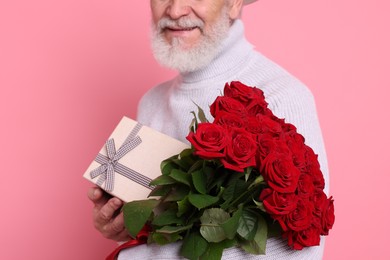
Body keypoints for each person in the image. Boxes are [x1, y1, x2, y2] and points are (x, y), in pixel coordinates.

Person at [88, 0, 330, 259]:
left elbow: (300, 252)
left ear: (235, 3)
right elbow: (158, 225)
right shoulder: (151, 102)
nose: (175, 10)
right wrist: (123, 224)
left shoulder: (282, 95)